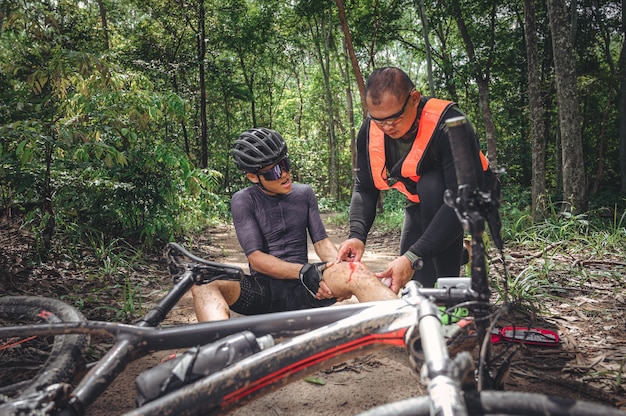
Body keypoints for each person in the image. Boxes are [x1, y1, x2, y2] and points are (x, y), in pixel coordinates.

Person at [191, 127, 397, 321]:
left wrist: (342, 271)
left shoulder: (304, 193)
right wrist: (303, 272)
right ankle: (219, 351)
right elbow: (256, 259)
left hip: (308, 291)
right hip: (263, 294)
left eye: (284, 164)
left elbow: (322, 243)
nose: (283, 174)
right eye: (272, 172)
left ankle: (408, 326)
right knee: (203, 281)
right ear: (253, 177)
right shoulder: (243, 200)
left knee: (356, 270)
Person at [337, 67, 496, 292]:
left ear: (414, 99)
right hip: (421, 198)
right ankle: (467, 252)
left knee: (426, 271)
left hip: (468, 199)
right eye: (379, 120)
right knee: (417, 282)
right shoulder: (372, 130)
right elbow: (365, 187)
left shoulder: (450, 124)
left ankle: (448, 290)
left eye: (394, 118)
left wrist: (413, 256)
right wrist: (357, 235)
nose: (387, 127)